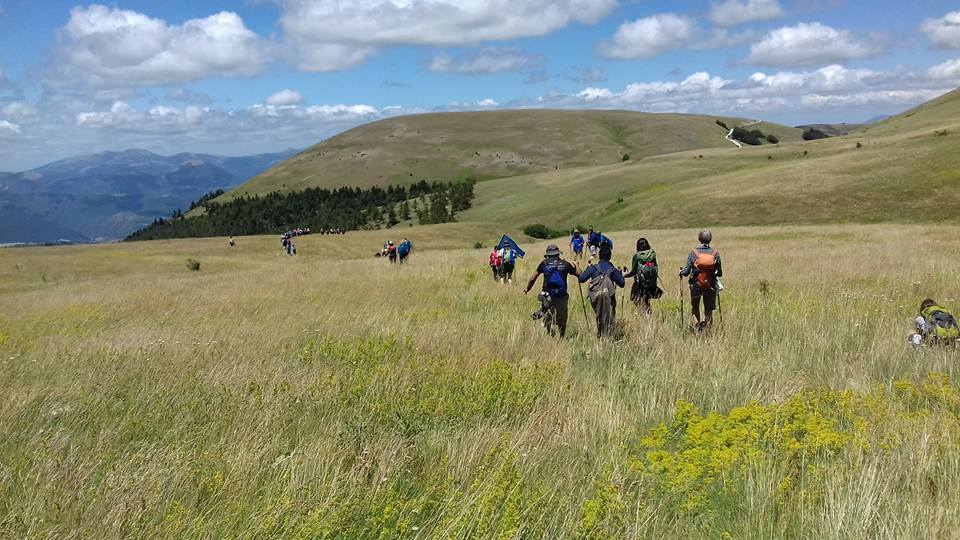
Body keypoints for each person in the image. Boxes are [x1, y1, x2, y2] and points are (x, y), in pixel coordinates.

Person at [525, 244, 580, 337]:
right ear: (558, 254)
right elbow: (579, 274)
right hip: (561, 295)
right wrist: (576, 265)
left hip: (547, 295)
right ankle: (562, 337)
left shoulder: (544, 263)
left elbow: (532, 278)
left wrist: (528, 288)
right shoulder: (565, 263)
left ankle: (550, 334)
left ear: (548, 254)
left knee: (547, 317)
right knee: (562, 319)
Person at [679, 229, 722, 330]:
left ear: (699, 239)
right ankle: (707, 330)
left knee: (695, 307)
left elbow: (686, 272)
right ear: (710, 239)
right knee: (709, 310)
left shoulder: (694, 253)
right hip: (710, 285)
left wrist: (680, 272)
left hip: (696, 285)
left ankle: (697, 329)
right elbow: (720, 273)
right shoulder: (715, 254)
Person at [579, 244, 625, 338]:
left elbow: (582, 279)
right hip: (608, 295)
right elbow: (622, 283)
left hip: (596, 296)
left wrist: (588, 268)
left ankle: (600, 335)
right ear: (610, 256)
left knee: (599, 314)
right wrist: (621, 274)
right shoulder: (612, 269)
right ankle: (609, 336)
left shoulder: (594, 268)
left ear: (599, 255)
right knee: (610, 315)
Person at [623, 237, 660, 314]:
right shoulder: (652, 254)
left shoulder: (636, 256)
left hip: (639, 284)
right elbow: (656, 268)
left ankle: (644, 317)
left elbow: (633, 272)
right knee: (647, 302)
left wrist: (624, 275)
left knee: (636, 301)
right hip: (650, 283)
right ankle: (649, 317)